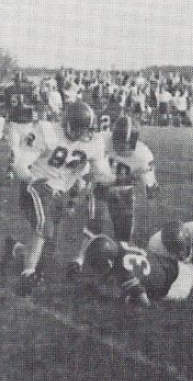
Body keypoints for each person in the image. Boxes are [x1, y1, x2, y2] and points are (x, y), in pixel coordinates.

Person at [0, 101, 107, 295]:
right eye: (81, 129)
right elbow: (21, 163)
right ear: (68, 124)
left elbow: (101, 172)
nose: (85, 134)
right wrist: (33, 180)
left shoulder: (94, 142)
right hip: (36, 185)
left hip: (60, 193)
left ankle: (15, 249)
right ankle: (27, 275)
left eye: (87, 129)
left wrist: (94, 182)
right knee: (44, 226)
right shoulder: (46, 131)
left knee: (47, 251)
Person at [68, 115, 159, 278]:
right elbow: (83, 161)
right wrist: (79, 183)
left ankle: (119, 264)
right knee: (95, 222)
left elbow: (151, 188)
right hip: (101, 187)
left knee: (123, 234)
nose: (123, 146)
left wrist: (149, 187)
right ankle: (80, 259)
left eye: (127, 143)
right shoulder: (101, 140)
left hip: (123, 192)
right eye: (120, 141)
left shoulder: (143, 154)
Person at [4, 70, 41, 180]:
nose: (19, 83)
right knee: (16, 148)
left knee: (22, 149)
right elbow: (38, 104)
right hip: (20, 122)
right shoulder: (29, 89)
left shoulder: (9, 90)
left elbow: (37, 104)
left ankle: (13, 170)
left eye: (20, 81)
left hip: (21, 123)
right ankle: (11, 170)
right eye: (19, 81)